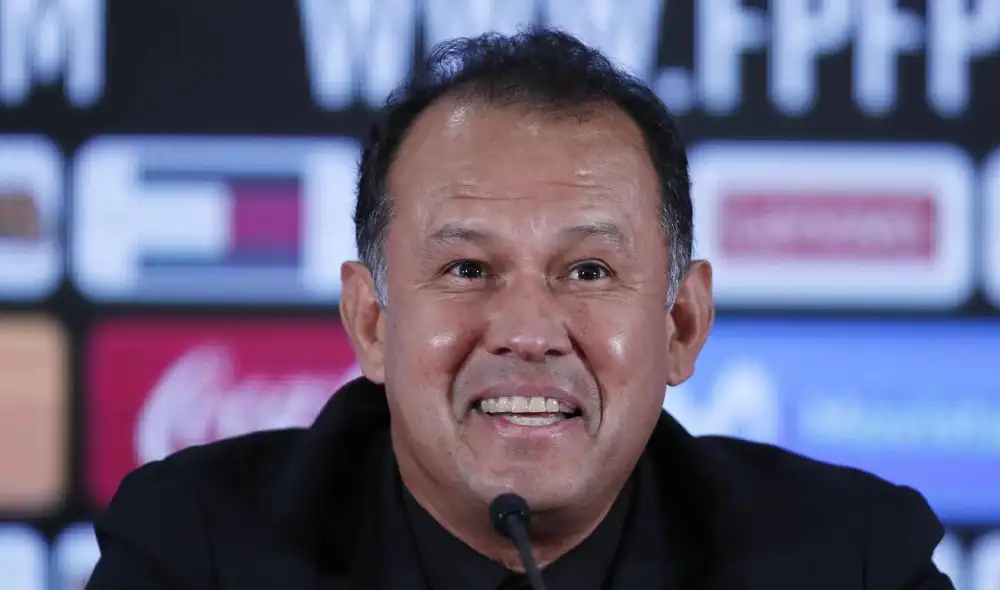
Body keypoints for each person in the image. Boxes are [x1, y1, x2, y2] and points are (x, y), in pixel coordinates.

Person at [86, 28, 954, 590]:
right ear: (372, 325)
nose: (529, 333)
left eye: (586, 271)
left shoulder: (851, 564)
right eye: (467, 268)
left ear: (681, 325)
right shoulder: (195, 554)